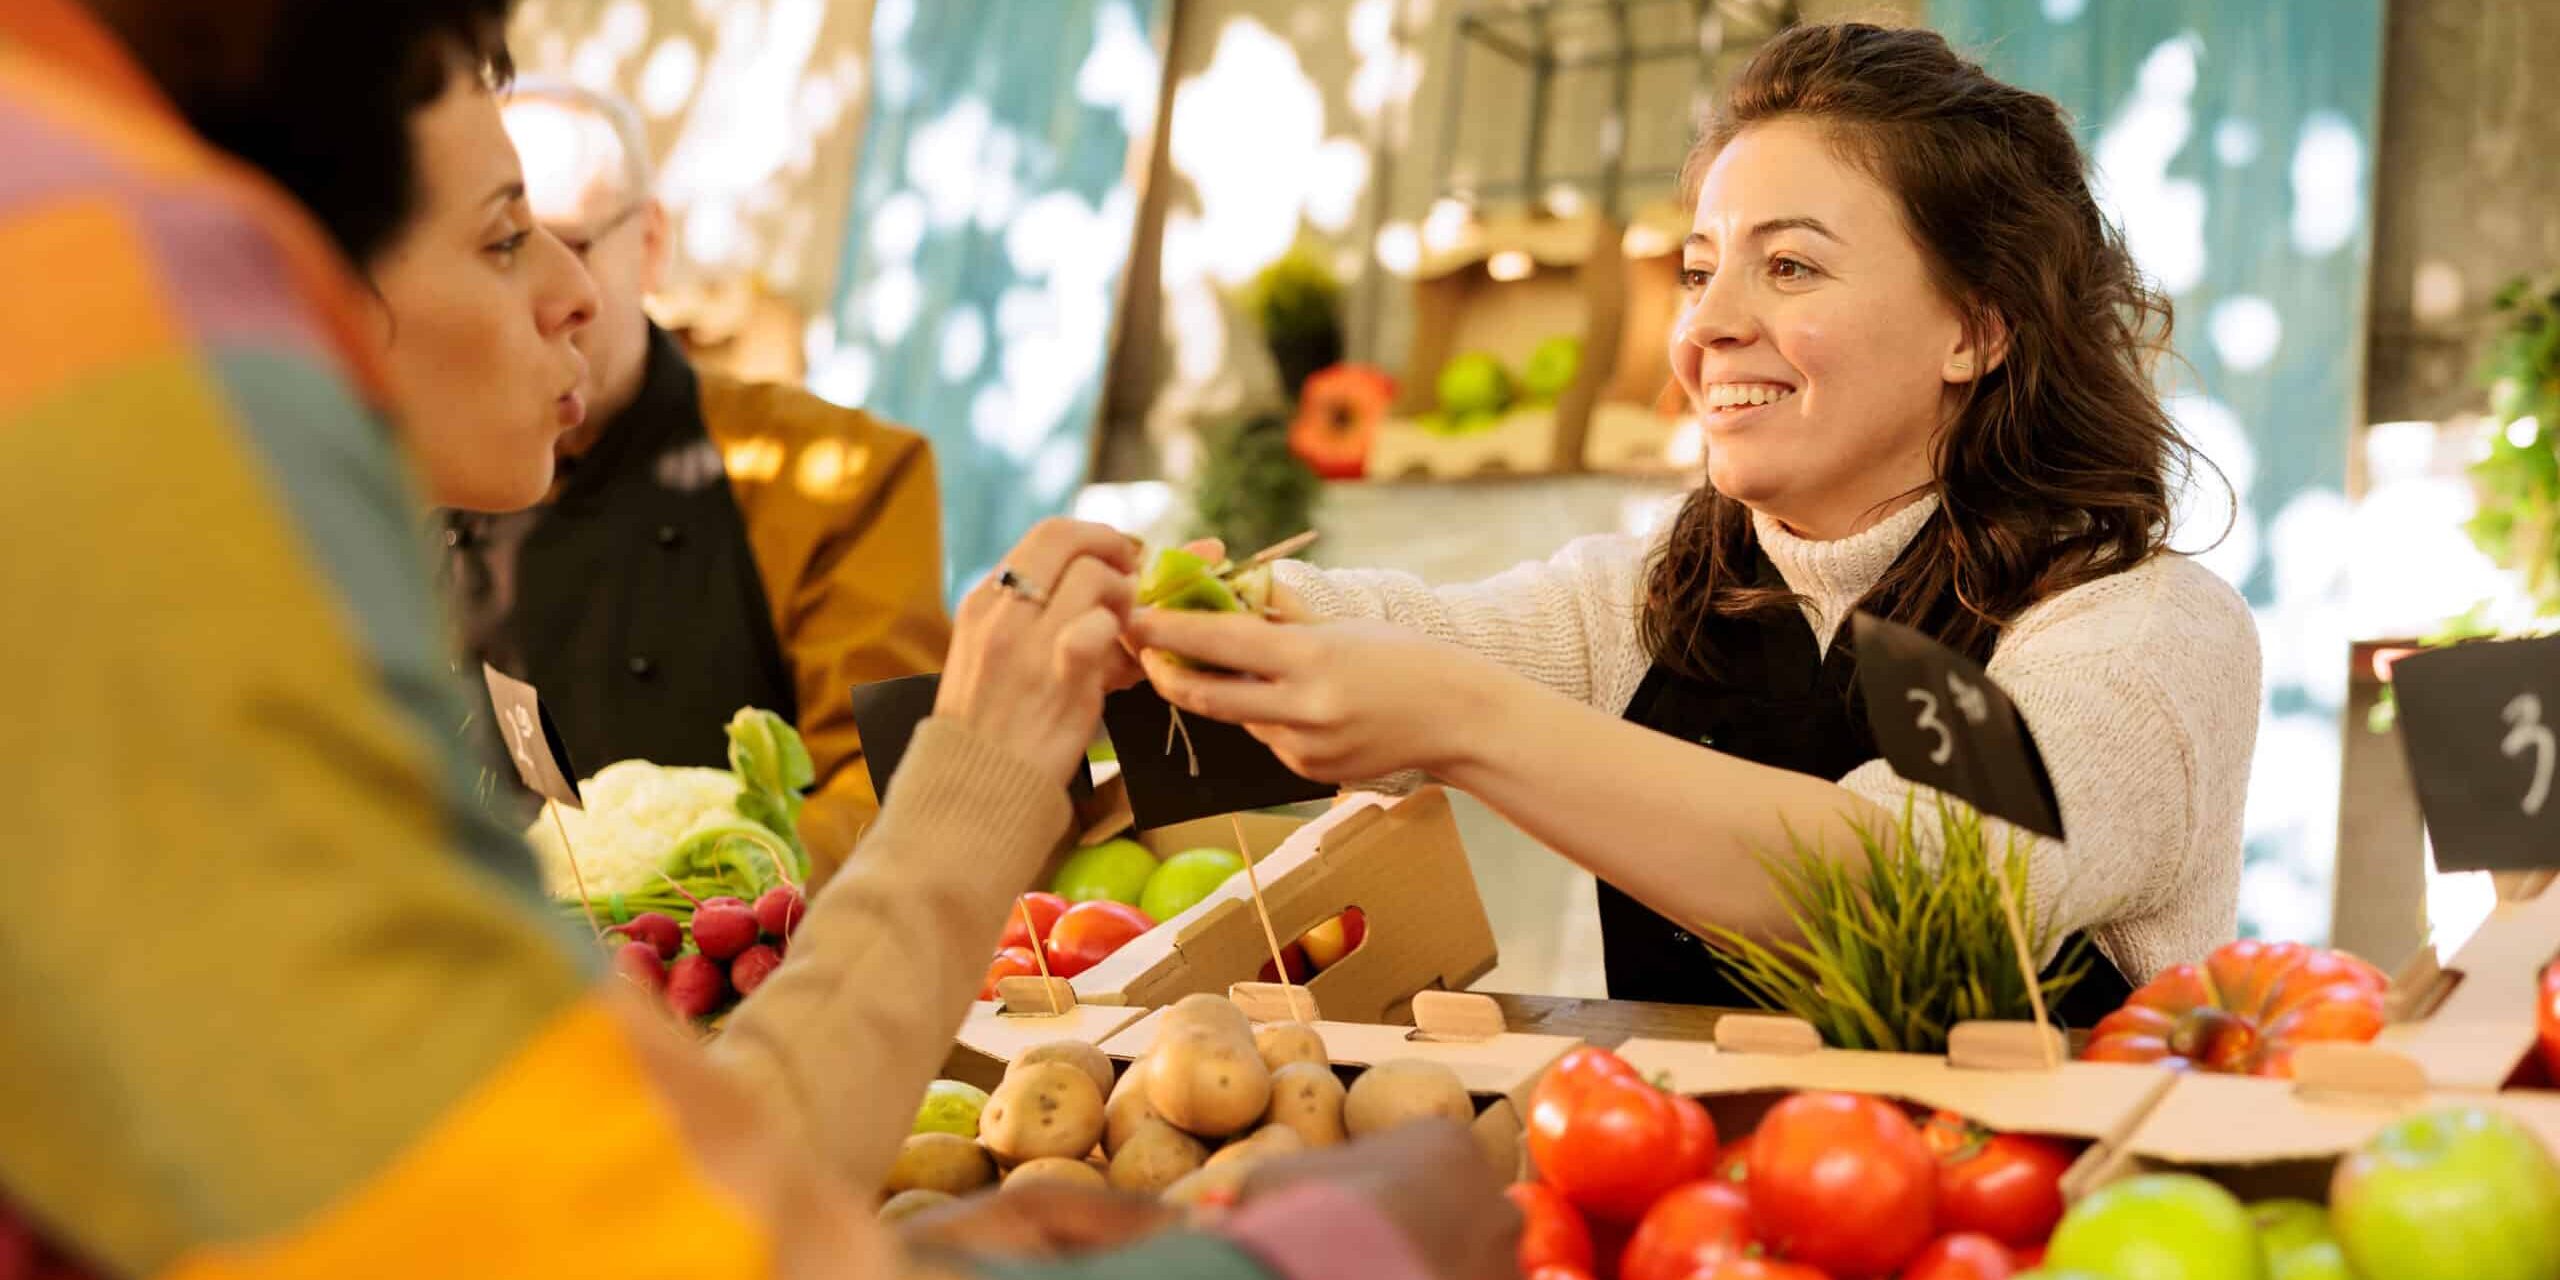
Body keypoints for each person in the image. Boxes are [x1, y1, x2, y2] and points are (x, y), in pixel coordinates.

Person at [0, 2, 1518, 1277]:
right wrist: (1313, 1256)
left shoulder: (839, 473)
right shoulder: (114, 314)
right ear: (316, 260)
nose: (572, 297)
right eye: (509, 234)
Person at [1131, 22, 2261, 1019]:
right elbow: (1382, 635)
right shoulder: (1652, 600)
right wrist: (1143, 631)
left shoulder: (2140, 636)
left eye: (1789, 265)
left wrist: (1465, 724)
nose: (1706, 326)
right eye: (1699, 267)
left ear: (1975, 329)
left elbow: (1918, 880)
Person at [441, 79, 953, 880]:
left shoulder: (839, 475)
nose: (549, 298)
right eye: (502, 250)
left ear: (647, 244)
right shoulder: (401, 475)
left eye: (569, 243)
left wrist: (698, 903)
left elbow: (895, 780)